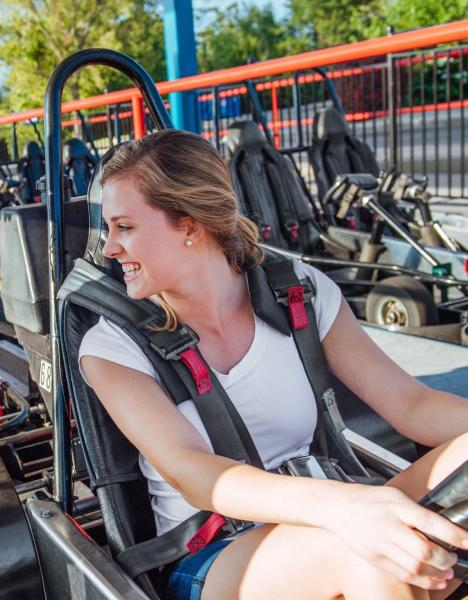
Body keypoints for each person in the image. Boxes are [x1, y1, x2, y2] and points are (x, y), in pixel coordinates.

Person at [78, 129, 468, 600]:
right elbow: (194, 470)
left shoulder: (299, 292)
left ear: (189, 224)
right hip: (216, 551)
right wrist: (345, 509)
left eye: (125, 227)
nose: (109, 248)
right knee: (366, 554)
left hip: (326, 502)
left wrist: (347, 508)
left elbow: (413, 404)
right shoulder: (111, 346)